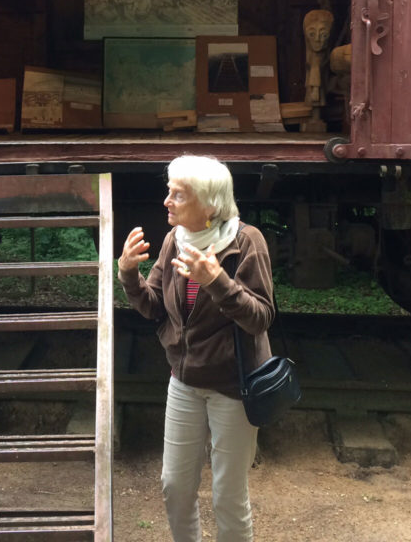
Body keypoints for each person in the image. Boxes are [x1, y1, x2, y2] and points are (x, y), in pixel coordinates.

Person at [117, 155, 275, 542]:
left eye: (179, 195)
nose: (167, 202)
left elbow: (260, 317)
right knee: (175, 486)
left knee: (227, 495)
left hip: (233, 388)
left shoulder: (245, 243)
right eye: (168, 192)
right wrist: (128, 274)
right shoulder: (175, 240)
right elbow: (155, 305)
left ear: (211, 206)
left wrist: (217, 281)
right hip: (184, 382)